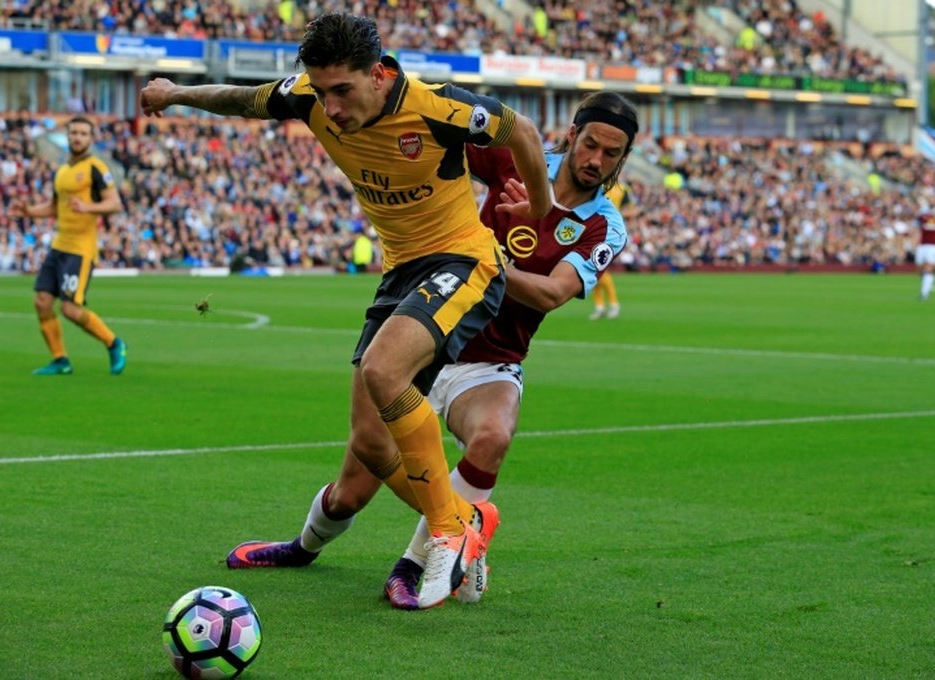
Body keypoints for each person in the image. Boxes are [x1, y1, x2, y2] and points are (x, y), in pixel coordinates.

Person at [140, 12, 552, 609]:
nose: (329, 108)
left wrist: (539, 211)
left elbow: (524, 133)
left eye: (343, 91)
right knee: (370, 444)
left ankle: (446, 531)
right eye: (321, 91)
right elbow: (238, 99)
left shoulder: (438, 107)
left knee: (385, 372)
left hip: (464, 260)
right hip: (401, 270)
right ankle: (467, 519)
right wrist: (177, 93)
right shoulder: (307, 96)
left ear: (381, 74)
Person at [223, 91, 637, 610]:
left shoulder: (604, 225)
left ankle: (414, 564)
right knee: (351, 489)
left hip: (487, 361)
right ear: (572, 134)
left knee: (492, 436)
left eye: (611, 154)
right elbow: (449, 133)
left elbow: (552, 293)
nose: (596, 160)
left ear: (623, 159)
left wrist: (481, 262)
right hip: (427, 336)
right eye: (591, 144)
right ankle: (306, 547)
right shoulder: (520, 157)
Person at [9, 116, 128, 376]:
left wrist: (89, 207)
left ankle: (114, 342)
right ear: (67, 135)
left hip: (81, 248)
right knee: (41, 302)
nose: (77, 137)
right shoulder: (62, 171)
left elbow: (115, 203)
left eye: (83, 134)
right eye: (74, 133)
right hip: (59, 244)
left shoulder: (97, 167)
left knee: (70, 309)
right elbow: (54, 207)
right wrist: (29, 211)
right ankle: (60, 359)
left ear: (90, 138)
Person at [590, 179, 636, 319]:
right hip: (594, 228)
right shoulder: (596, 185)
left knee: (599, 268)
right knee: (593, 268)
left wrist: (615, 214)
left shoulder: (623, 189)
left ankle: (612, 304)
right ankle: (600, 306)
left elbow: (632, 211)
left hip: (611, 230)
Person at [915, 209, 935, 301]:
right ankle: (929, 283)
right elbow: (917, 219)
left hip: (933, 246)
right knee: (920, 268)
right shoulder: (923, 218)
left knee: (929, 268)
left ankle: (924, 293)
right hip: (922, 246)